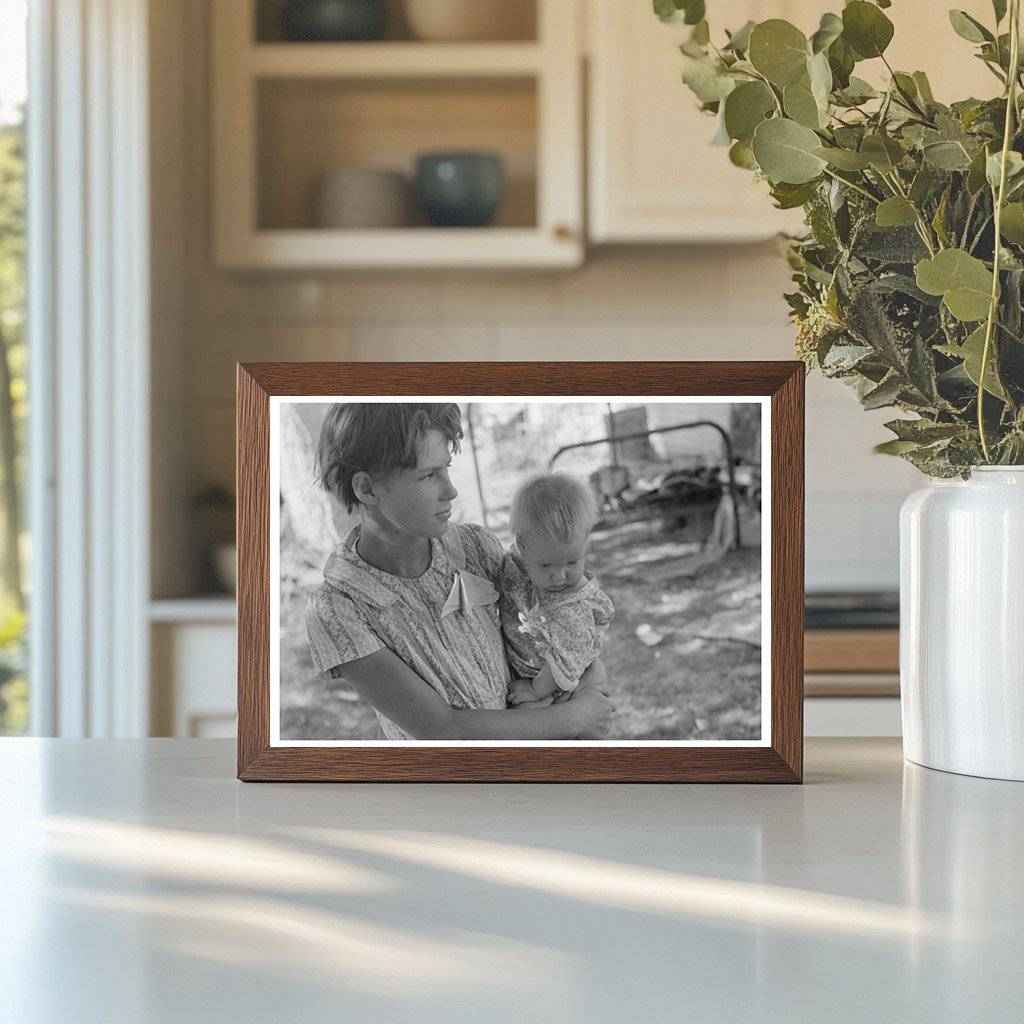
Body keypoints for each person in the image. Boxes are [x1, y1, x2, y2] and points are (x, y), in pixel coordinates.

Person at [305, 402, 612, 740]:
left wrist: (587, 679)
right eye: (428, 475)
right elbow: (439, 728)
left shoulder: (474, 547)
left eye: (446, 468)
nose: (450, 490)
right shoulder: (339, 609)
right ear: (366, 488)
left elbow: (567, 617)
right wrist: (576, 718)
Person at [499, 473, 615, 707]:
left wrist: (535, 691)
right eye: (545, 565)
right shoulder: (521, 561)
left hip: (557, 685)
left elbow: (565, 661)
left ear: (585, 542)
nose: (560, 576)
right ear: (523, 547)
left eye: (572, 562)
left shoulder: (571, 608)